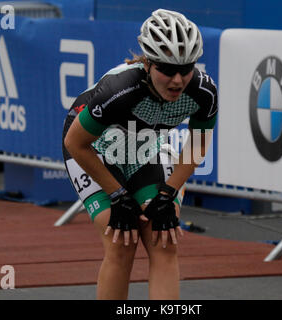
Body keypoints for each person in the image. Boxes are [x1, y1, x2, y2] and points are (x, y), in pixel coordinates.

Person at [62, 8, 218, 300]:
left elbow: (197, 146)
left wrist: (167, 194)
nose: (177, 80)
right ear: (147, 62)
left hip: (142, 152)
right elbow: (76, 144)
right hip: (95, 153)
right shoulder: (120, 90)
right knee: (121, 242)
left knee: (164, 240)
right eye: (167, 69)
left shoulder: (203, 91)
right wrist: (118, 195)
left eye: (186, 69)